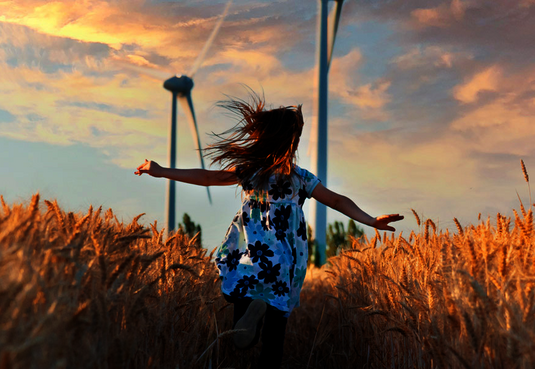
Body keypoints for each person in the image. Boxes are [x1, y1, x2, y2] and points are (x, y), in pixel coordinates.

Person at [135, 92, 403, 368]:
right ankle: (263, 321)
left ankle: (247, 319)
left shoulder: (252, 171)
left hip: (253, 256)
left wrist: (162, 170)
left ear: (264, 138)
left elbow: (208, 177)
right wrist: (370, 220)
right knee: (274, 339)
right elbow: (336, 200)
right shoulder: (300, 177)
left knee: (241, 312)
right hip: (283, 263)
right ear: (293, 142)